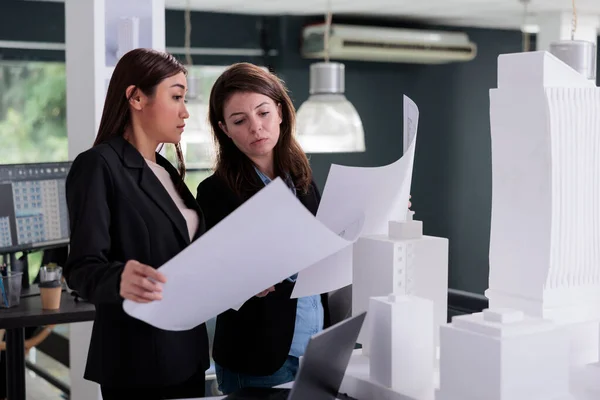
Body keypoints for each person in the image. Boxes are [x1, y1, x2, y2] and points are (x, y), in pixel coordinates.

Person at [64, 48, 209, 400]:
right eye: (176, 96)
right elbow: (82, 268)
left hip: (188, 352)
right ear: (136, 97)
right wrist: (120, 278)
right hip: (138, 362)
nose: (185, 112)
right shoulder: (99, 165)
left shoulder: (166, 170)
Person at [195, 62, 330, 394]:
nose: (256, 127)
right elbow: (209, 273)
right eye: (240, 121)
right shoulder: (215, 191)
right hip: (258, 353)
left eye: (263, 113)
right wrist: (244, 280)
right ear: (225, 129)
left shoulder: (304, 180)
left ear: (281, 112)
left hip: (315, 344)